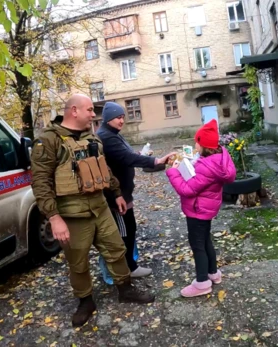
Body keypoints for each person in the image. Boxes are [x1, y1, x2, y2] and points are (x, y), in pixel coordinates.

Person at [30, 94, 155, 327]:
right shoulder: (48, 141)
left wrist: (117, 193)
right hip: (72, 214)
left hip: (100, 207)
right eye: (89, 110)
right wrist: (54, 218)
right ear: (74, 111)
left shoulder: (92, 138)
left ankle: (125, 289)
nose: (93, 114)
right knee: (78, 262)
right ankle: (85, 301)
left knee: (117, 250)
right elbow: (40, 183)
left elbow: (104, 170)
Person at [96, 102, 175, 280]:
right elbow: (126, 157)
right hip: (116, 196)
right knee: (123, 232)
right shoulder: (106, 137)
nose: (122, 120)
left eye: (123, 117)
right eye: (118, 117)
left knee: (130, 229)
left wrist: (141, 155)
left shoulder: (114, 134)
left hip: (123, 193)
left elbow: (126, 155)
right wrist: (156, 161)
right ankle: (126, 270)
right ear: (108, 118)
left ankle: (127, 266)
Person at [165, 119, 236, 297]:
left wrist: (173, 171)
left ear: (203, 145)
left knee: (197, 245)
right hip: (206, 209)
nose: (195, 144)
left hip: (198, 210)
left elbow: (187, 189)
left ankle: (202, 283)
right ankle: (213, 273)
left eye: (197, 141)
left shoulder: (207, 166)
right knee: (205, 241)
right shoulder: (216, 159)